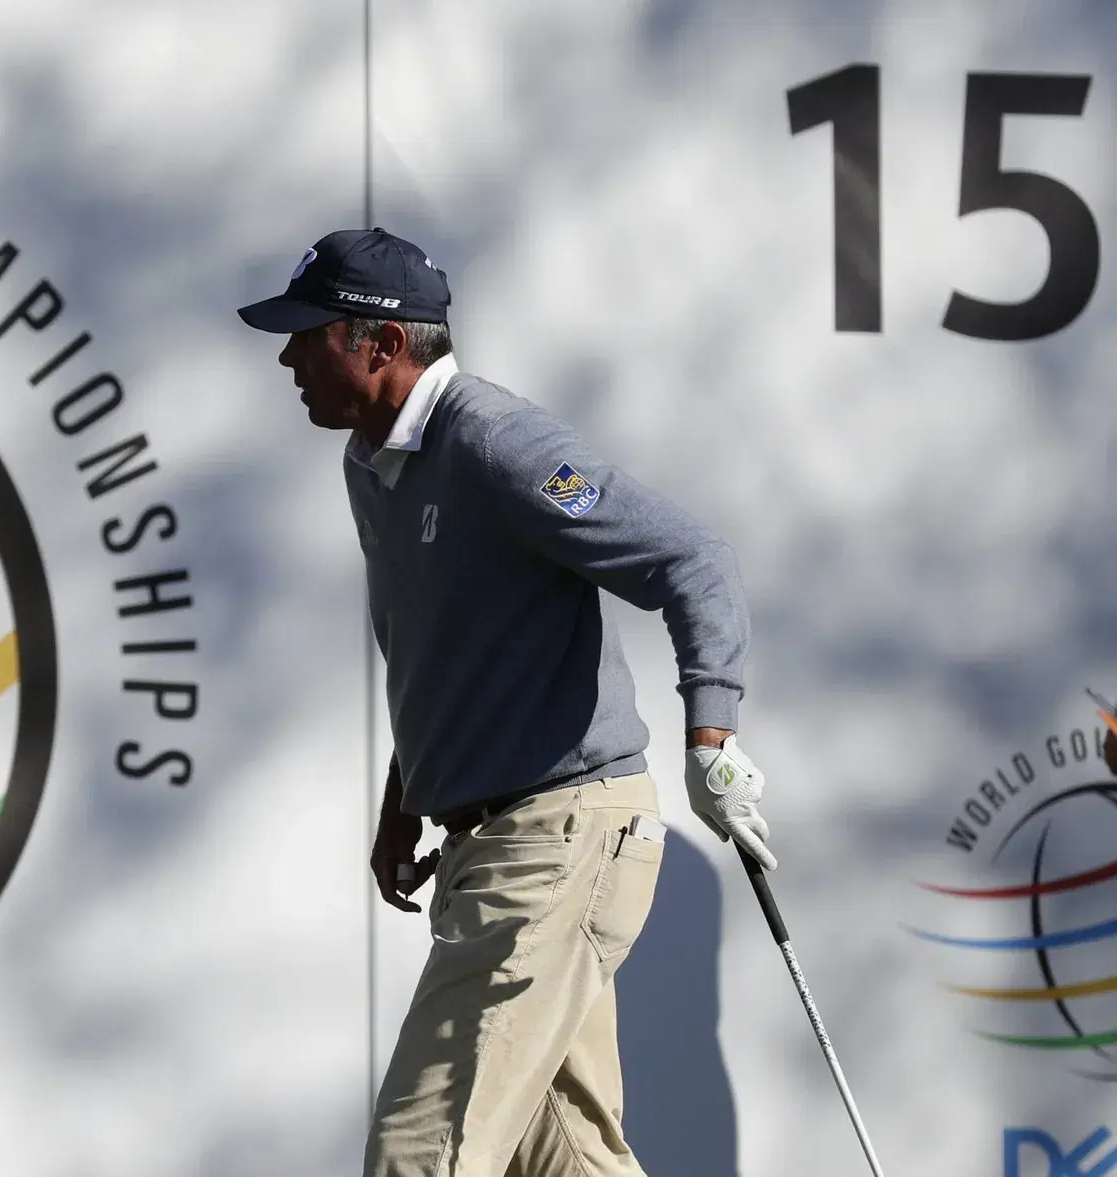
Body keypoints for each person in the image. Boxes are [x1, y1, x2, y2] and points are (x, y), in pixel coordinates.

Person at [237, 227, 774, 1177]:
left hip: (560, 838)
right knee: (565, 1160)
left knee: (420, 1154)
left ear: (384, 345)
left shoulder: (493, 442)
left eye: (309, 332)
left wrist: (713, 737)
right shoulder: (372, 465)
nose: (288, 355)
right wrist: (411, 792)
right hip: (494, 844)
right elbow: (443, 639)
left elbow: (692, 560)